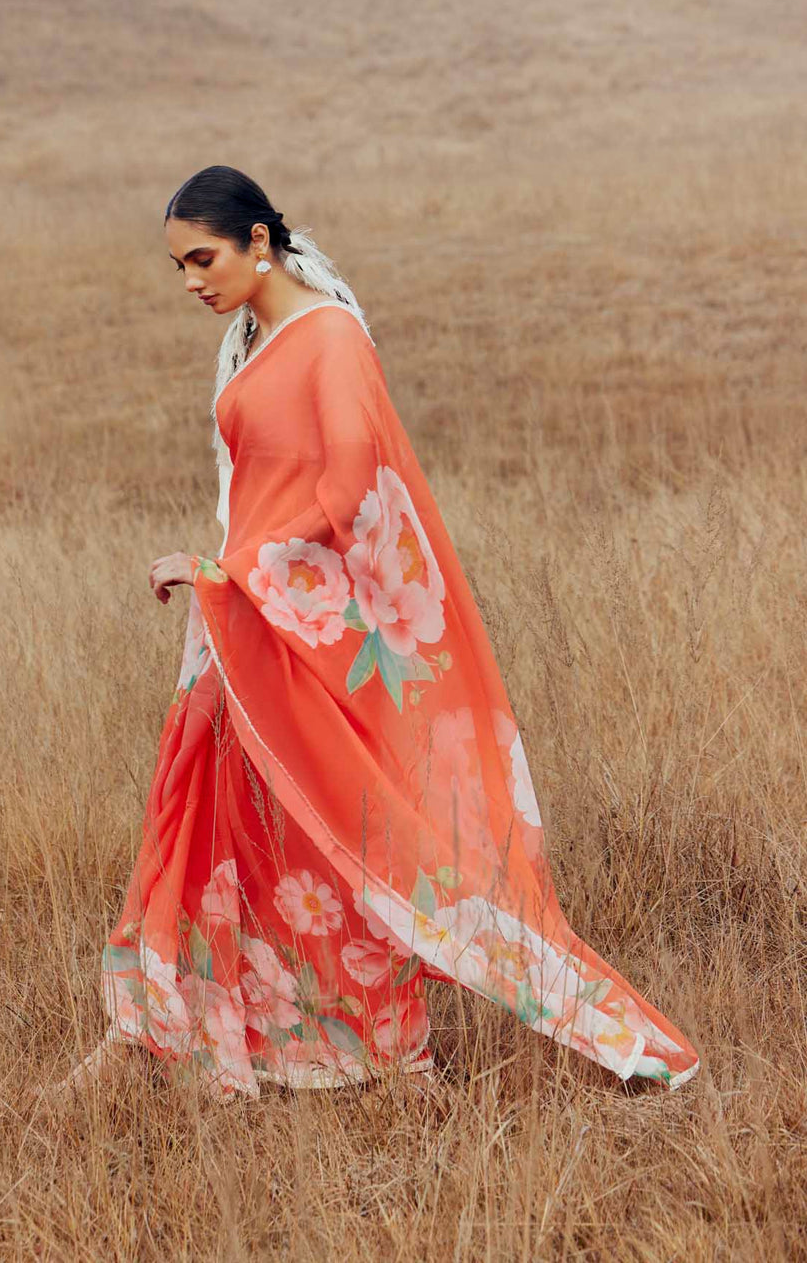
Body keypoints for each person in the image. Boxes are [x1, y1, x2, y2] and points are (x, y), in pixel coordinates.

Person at [45, 164, 699, 1106]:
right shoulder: (252, 339)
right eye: (178, 265)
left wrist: (233, 569)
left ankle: (390, 1056)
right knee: (213, 824)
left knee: (352, 840)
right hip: (247, 624)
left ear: (259, 243)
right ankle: (160, 1031)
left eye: (204, 257)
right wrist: (227, 582)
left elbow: (348, 490)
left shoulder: (331, 340)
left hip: (305, 628)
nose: (190, 279)